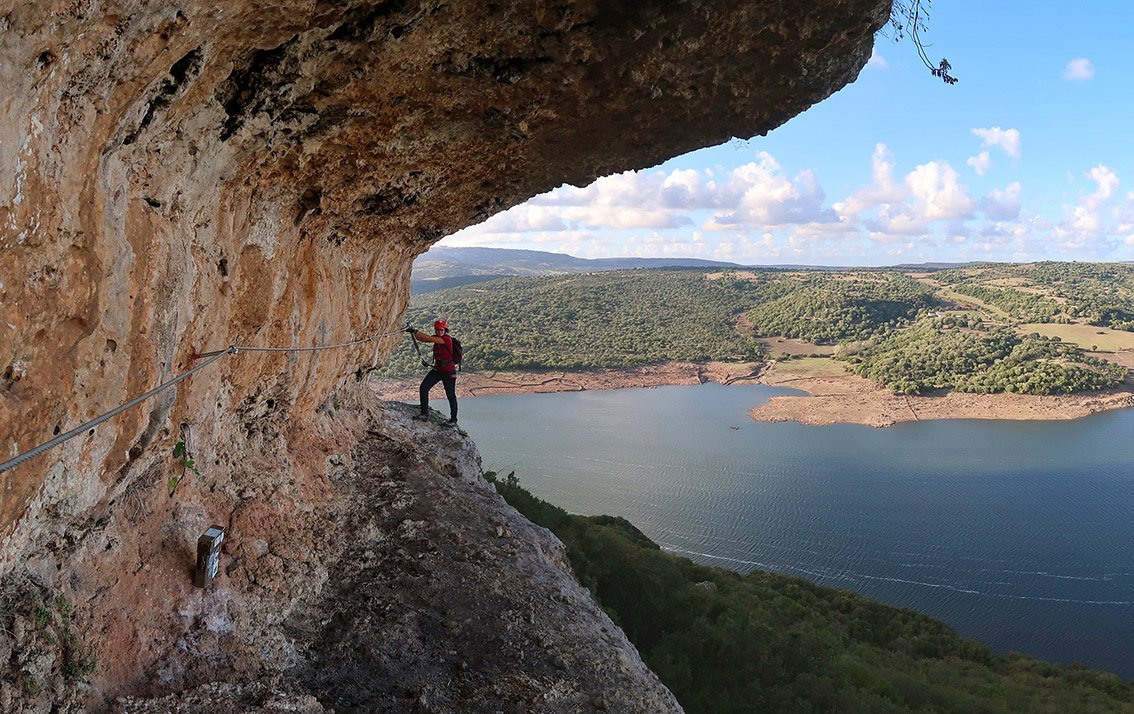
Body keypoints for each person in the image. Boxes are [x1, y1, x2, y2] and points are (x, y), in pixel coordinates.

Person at [408, 319, 458, 426]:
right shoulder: (437, 340)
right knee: (424, 388)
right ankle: (424, 414)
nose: (440, 331)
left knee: (450, 395)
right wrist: (414, 333)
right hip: (438, 370)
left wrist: (415, 331)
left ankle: (453, 420)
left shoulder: (446, 339)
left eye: (441, 329)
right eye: (438, 329)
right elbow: (424, 339)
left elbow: (428, 338)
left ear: (445, 330)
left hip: (449, 372)